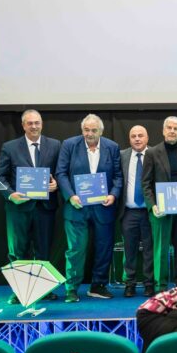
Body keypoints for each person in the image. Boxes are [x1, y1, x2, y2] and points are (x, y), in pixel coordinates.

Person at [56, 114, 123, 303]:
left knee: (104, 248)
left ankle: (98, 285)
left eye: (94, 130)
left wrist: (113, 194)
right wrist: (71, 196)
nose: (90, 133)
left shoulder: (112, 147)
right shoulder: (69, 145)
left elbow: (118, 176)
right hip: (76, 207)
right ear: (82, 130)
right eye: (86, 130)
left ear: (101, 131)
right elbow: (61, 173)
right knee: (76, 249)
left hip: (103, 207)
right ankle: (71, 288)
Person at [0, 109, 60, 304]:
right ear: (23, 125)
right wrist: (10, 194)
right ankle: (20, 291)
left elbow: (60, 172)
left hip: (45, 208)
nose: (34, 126)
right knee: (18, 251)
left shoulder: (55, 145)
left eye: (37, 123)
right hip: (18, 208)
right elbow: (0, 176)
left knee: (43, 251)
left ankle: (43, 290)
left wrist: (56, 184)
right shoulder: (10, 147)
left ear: (42, 124)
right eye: (30, 123)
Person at [141, 116, 177, 292]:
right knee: (161, 249)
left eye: (175, 129)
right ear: (163, 130)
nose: (172, 131)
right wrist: (152, 206)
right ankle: (161, 286)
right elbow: (145, 183)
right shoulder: (152, 153)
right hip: (160, 209)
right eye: (169, 128)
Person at [118, 125, 154, 298]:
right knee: (129, 250)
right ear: (129, 139)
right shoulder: (122, 155)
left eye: (141, 135)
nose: (137, 139)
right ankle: (129, 284)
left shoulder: (155, 154)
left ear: (147, 138)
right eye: (134, 136)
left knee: (149, 250)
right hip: (129, 212)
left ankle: (149, 284)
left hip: (150, 211)